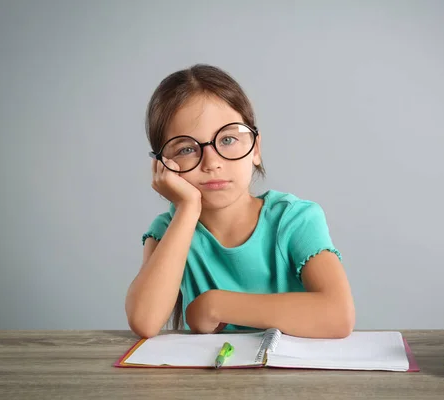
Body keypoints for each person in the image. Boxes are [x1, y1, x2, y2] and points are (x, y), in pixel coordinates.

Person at [125, 64, 355, 339]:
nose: (212, 163)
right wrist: (187, 209)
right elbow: (144, 321)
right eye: (187, 148)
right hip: (207, 380)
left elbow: (338, 316)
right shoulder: (168, 230)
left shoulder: (294, 219)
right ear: (164, 165)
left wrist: (216, 305)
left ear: (255, 149)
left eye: (228, 139)